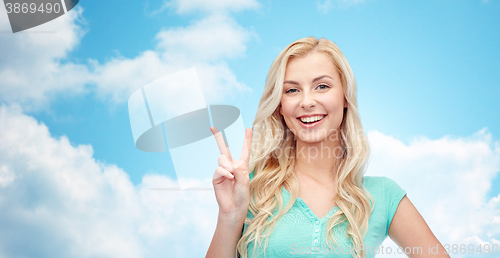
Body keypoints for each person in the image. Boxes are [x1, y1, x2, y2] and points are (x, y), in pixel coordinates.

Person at [206, 37, 449, 258]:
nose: (307, 101)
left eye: (322, 86)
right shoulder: (249, 189)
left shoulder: (382, 196)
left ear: (345, 96)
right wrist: (230, 216)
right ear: (279, 105)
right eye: (292, 90)